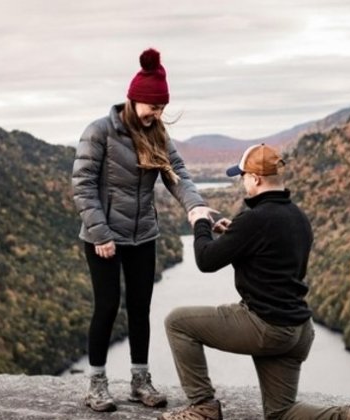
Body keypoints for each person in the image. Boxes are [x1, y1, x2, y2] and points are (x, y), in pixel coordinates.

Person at [158, 144, 350, 420]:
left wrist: (200, 222)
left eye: (243, 177)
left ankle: (203, 407)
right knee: (281, 413)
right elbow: (273, 257)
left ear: (255, 178)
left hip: (267, 326)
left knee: (178, 322)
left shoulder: (254, 219)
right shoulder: (298, 217)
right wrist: (235, 236)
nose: (243, 183)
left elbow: (206, 261)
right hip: (298, 329)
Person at [72, 47, 209, 413]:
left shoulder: (158, 135)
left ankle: (139, 381)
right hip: (103, 237)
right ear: (134, 100)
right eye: (153, 107)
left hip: (143, 235)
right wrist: (100, 234)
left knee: (140, 307)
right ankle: (97, 385)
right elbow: (83, 186)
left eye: (162, 109)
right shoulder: (99, 132)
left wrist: (195, 206)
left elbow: (178, 175)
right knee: (106, 307)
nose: (157, 115)